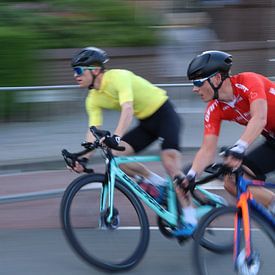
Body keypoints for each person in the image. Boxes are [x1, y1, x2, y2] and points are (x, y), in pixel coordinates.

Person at [69, 46, 197, 235]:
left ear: (94, 70)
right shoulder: (92, 98)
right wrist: (83, 158)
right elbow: (92, 130)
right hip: (146, 122)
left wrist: (116, 136)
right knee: (115, 158)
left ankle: (191, 217)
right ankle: (158, 184)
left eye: (79, 70)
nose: (75, 75)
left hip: (165, 114)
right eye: (74, 71)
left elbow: (127, 109)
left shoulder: (118, 77)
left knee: (169, 161)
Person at [180, 50, 275, 214]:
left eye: (197, 82)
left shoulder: (248, 81)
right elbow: (207, 149)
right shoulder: (214, 109)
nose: (194, 89)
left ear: (216, 78)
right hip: (272, 141)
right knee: (231, 182)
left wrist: (239, 148)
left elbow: (259, 119)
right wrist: (191, 175)